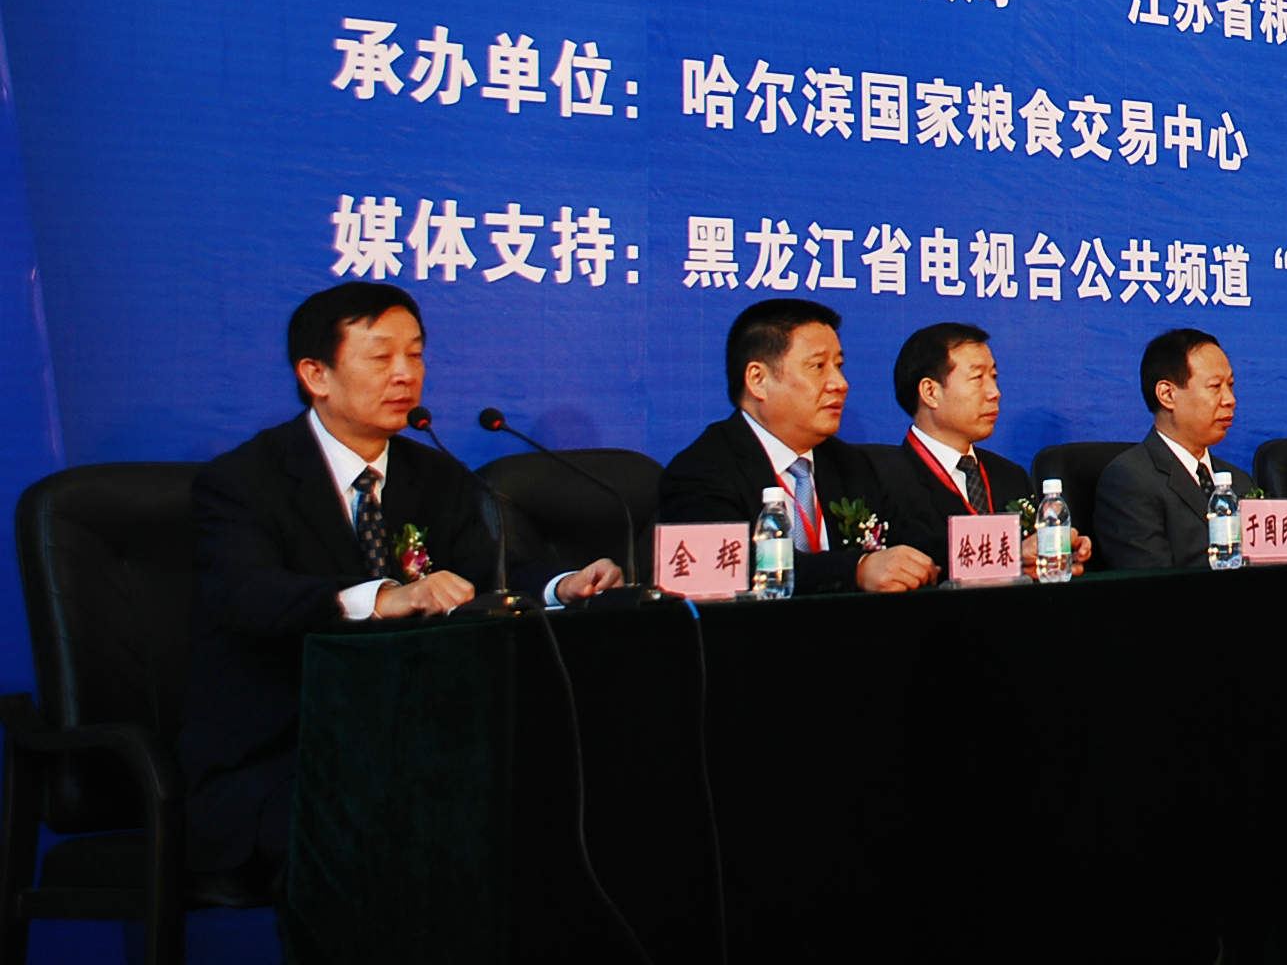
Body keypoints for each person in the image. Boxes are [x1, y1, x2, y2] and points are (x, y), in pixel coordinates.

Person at [185, 285, 623, 882]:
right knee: (397, 825)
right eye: (380, 357)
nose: (405, 374)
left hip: (420, 744)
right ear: (315, 374)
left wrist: (564, 585)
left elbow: (489, 574)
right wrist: (382, 598)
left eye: (415, 355)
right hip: (286, 756)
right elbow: (248, 595)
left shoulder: (435, 474)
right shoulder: (243, 481)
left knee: (554, 797)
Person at [660, 300, 935, 594]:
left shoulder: (850, 464)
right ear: (758, 380)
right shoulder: (701, 471)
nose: (840, 384)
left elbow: (909, 543)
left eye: (839, 366)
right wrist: (855, 569)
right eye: (818, 367)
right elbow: (729, 566)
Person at [872, 322, 1090, 577]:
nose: (994, 393)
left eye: (993, 377)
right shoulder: (881, 478)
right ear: (930, 392)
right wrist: (1010, 555)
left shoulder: (1011, 476)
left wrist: (1055, 552)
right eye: (977, 378)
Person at [1094, 327, 1248, 570]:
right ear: (1167, 394)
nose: (1230, 399)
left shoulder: (1240, 482)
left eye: (1230, 385)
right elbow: (1151, 579)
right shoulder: (1130, 481)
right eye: (1215, 386)